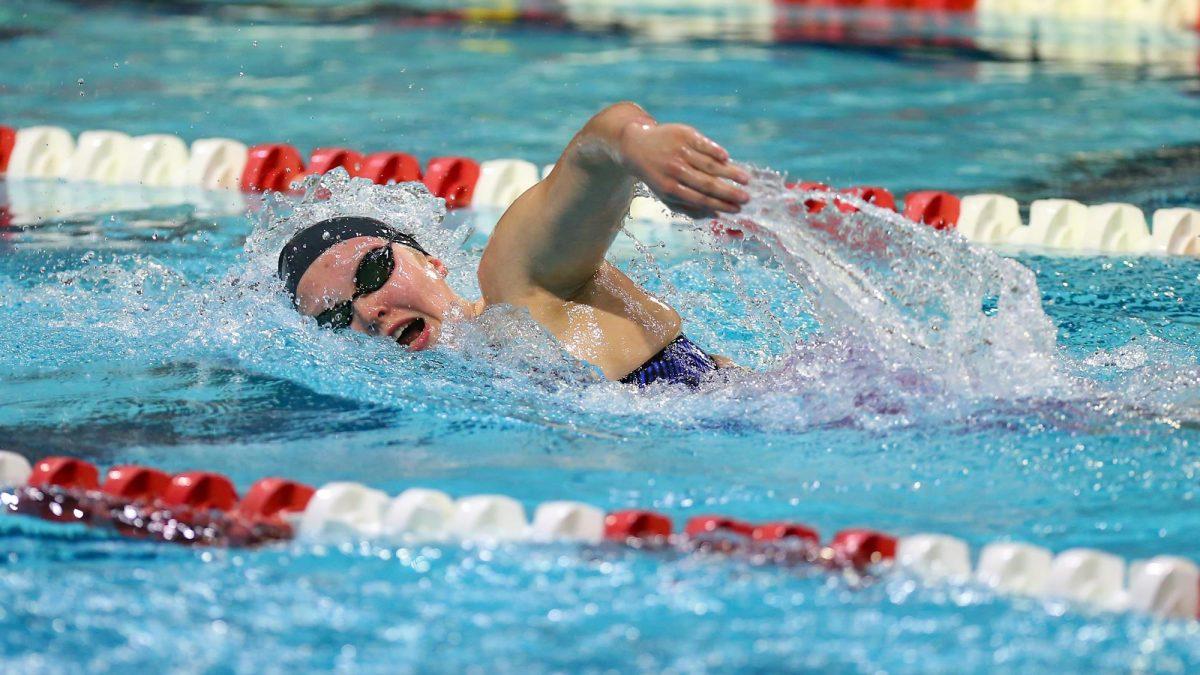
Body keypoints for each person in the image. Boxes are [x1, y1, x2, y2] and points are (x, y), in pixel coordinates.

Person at [277, 102, 751, 387]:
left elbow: (596, 147)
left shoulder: (519, 287)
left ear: (432, 261)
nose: (368, 313)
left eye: (373, 273)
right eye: (337, 318)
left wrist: (638, 144)